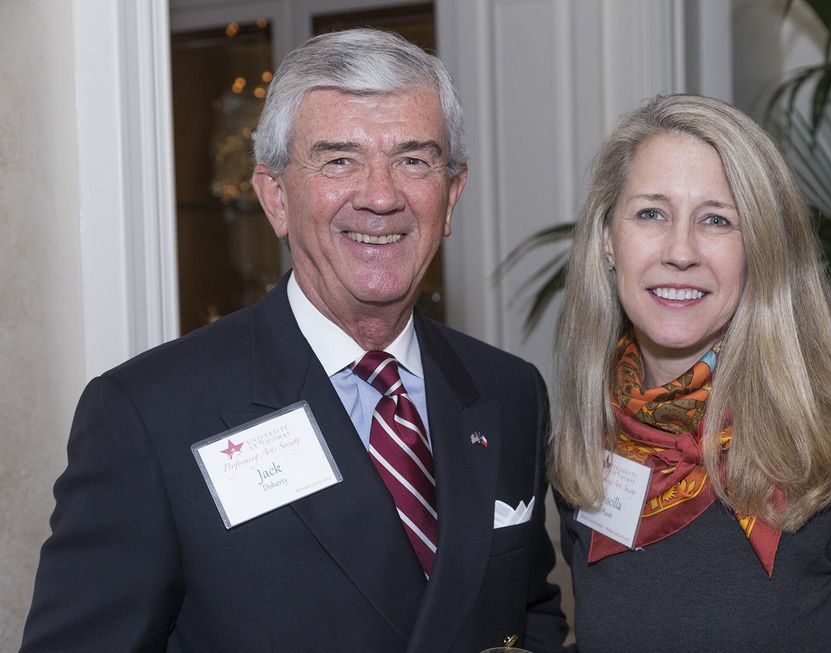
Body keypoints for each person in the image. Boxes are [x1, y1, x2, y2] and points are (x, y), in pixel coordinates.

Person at [21, 28, 568, 653]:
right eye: (339, 160)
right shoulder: (149, 415)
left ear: (451, 196)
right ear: (275, 197)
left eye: (413, 160)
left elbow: (530, 617)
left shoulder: (507, 391)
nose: (381, 196)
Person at [550, 94, 831, 652]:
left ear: (762, 250)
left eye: (717, 220)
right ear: (608, 239)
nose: (680, 251)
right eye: (651, 212)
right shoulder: (588, 452)